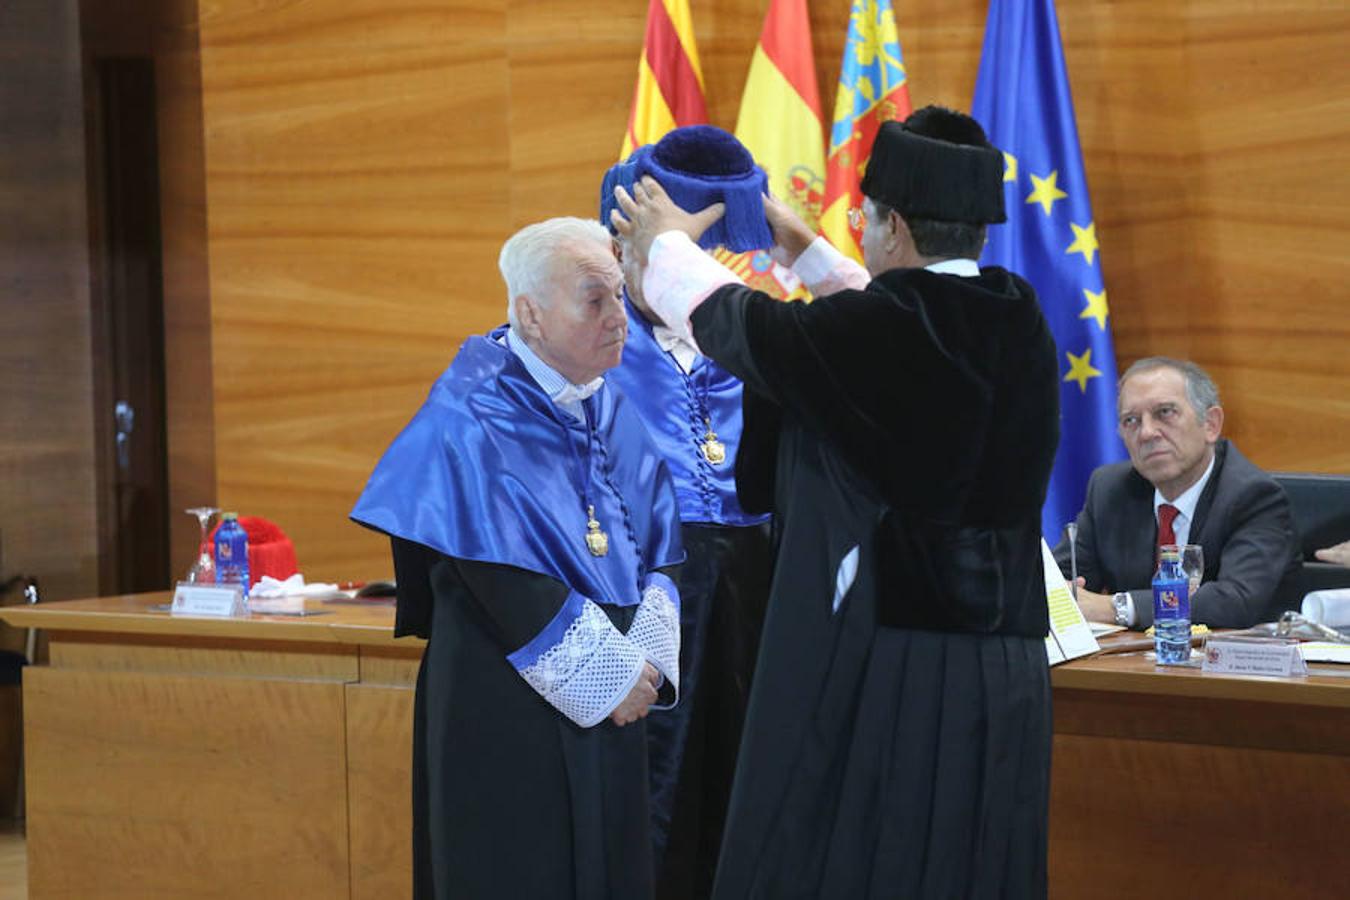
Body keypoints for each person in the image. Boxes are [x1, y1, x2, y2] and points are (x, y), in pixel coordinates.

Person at [613, 106, 1060, 898]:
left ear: (891, 229)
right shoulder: (1016, 317)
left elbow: (753, 330)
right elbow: (886, 332)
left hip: (905, 664)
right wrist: (800, 245)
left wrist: (663, 245)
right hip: (1007, 665)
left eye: (864, 221)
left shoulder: (884, 333)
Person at [350, 217, 685, 899]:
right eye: (596, 299)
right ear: (530, 314)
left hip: (617, 698)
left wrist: (645, 656)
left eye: (622, 295)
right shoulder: (468, 414)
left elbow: (659, 538)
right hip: (508, 703)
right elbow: (498, 574)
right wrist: (608, 675)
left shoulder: (611, 406)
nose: (620, 317)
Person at [599, 125, 774, 899]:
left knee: (748, 781)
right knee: (654, 788)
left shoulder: (751, 336)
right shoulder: (591, 347)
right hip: (643, 586)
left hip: (756, 589)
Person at [1053, 357, 1301, 629]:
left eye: (1165, 412)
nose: (1147, 432)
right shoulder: (1109, 490)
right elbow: (1059, 581)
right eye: (1131, 420)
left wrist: (1117, 607)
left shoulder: (1255, 497)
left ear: (1210, 424)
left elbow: (1234, 602)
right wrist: (1060, 593)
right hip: (1130, 665)